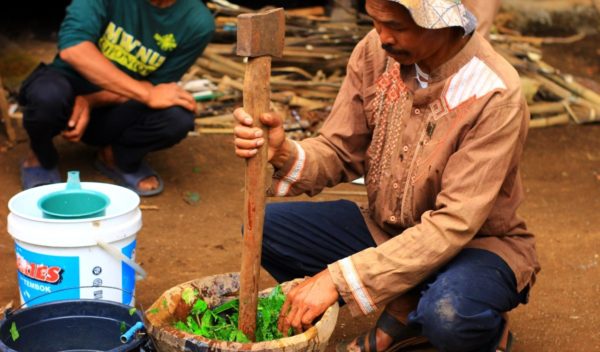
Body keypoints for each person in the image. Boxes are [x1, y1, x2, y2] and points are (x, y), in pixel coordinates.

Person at [233, 0, 540, 351]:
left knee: (450, 315)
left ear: (441, 22)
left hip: (477, 246)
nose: (382, 37)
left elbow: (453, 224)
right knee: (267, 229)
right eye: (376, 22)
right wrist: (285, 152)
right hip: (388, 232)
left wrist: (337, 279)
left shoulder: (494, 93)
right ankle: (407, 305)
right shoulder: (374, 53)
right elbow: (339, 150)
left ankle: (477, 327)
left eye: (395, 25)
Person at [19, 0, 215, 196]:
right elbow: (74, 49)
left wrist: (90, 100)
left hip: (116, 106)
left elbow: (158, 86)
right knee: (46, 95)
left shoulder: (197, 21)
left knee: (177, 117)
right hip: (66, 89)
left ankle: (115, 157)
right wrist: (146, 94)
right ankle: (40, 155)